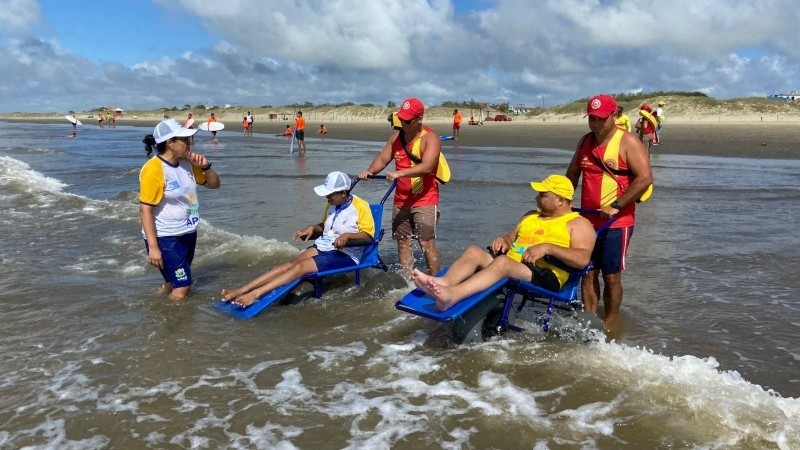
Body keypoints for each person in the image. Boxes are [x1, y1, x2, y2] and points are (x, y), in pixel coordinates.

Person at [411, 175, 596, 312]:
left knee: (503, 263)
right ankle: (442, 282)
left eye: (542, 195)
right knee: (474, 251)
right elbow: (510, 239)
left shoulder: (578, 223)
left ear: (560, 200)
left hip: (545, 274)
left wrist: (548, 248)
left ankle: (453, 296)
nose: (536, 198)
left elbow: (582, 259)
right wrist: (503, 240)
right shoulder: (530, 215)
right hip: (514, 264)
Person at [220, 171, 375, 307]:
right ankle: (242, 290)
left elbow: (368, 236)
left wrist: (347, 236)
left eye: (330, 194)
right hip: (325, 246)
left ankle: (256, 294)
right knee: (288, 265)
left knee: (299, 268)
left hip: (346, 253)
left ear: (343, 193)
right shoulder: (332, 204)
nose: (327, 197)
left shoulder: (360, 206)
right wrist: (313, 228)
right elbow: (327, 226)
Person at [565, 94, 653, 328]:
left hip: (617, 222)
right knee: (587, 272)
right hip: (586, 221)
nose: (596, 124)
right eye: (592, 119)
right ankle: (590, 324)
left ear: (614, 116)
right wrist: (563, 202)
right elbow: (572, 174)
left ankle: (610, 324)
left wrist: (616, 205)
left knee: (611, 276)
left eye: (601, 119)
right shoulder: (585, 141)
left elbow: (644, 178)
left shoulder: (628, 142)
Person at [359, 98, 442, 278]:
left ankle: (435, 282)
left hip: (425, 199)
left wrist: (399, 174)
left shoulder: (431, 138)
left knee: (426, 243)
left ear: (420, 118)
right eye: (401, 119)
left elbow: (428, 166)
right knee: (403, 243)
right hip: (401, 199)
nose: (403, 123)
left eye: (408, 120)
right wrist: (369, 171)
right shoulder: (396, 138)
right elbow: (382, 159)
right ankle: (407, 281)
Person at [139, 119, 221, 300]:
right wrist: (153, 247)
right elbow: (145, 209)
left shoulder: (188, 163)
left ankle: (155, 306)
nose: (189, 143)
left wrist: (206, 167)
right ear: (170, 143)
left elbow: (214, 184)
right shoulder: (154, 169)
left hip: (188, 233)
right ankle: (175, 326)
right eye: (184, 140)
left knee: (173, 281)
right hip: (166, 237)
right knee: (183, 287)